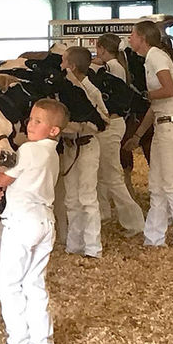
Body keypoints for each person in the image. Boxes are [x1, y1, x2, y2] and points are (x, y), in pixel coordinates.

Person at [0, 98, 70, 344]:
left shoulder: (28, 150)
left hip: (22, 221)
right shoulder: (52, 154)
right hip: (45, 221)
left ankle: (18, 343)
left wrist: (0, 182)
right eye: (30, 119)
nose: (30, 124)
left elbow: (4, 178)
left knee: (8, 284)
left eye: (38, 121)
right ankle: (42, 343)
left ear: (53, 130)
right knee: (34, 283)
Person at [124, 21, 173, 247]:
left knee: (170, 184)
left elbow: (169, 90)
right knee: (156, 184)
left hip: (170, 126)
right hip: (163, 123)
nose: (129, 38)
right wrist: (138, 136)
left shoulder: (156, 57)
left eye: (133, 34)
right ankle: (154, 238)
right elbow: (155, 105)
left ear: (143, 38)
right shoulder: (153, 57)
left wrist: (144, 94)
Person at [60, 46, 110, 258]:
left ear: (71, 66)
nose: (61, 66)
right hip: (70, 147)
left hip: (87, 145)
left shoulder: (91, 91)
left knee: (87, 197)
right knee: (71, 198)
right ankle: (74, 244)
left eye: (63, 62)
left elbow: (104, 121)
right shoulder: (64, 90)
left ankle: (92, 247)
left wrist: (75, 126)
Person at [94, 33, 145, 236]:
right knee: (103, 173)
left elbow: (112, 96)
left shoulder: (111, 68)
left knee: (113, 176)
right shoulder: (116, 65)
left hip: (111, 122)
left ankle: (135, 222)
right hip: (113, 122)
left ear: (102, 49)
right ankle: (103, 211)